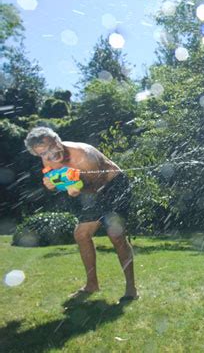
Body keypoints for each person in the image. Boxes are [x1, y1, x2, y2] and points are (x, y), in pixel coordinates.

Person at [24, 127, 138, 302]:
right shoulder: (48, 161)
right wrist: (55, 184)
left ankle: (131, 288)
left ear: (57, 140)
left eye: (51, 147)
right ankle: (92, 285)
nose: (50, 155)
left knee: (116, 235)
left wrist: (74, 190)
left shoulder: (83, 155)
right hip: (90, 190)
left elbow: (96, 187)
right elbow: (65, 179)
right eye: (43, 154)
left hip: (114, 186)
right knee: (81, 234)